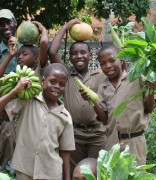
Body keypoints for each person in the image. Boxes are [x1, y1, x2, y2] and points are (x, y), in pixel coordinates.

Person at [0, 63, 75, 180]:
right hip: (24, 169)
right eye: (52, 81)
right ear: (43, 81)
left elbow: (65, 150)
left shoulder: (65, 116)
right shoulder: (27, 101)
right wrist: (15, 90)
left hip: (51, 172)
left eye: (62, 84)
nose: (57, 86)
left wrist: (67, 178)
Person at [80, 45, 156, 165]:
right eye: (103, 63)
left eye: (112, 60)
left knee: (135, 176)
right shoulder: (103, 88)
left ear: (121, 60)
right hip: (112, 143)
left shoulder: (136, 79)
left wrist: (151, 91)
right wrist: (92, 101)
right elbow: (104, 120)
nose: (108, 66)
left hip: (135, 142)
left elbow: (149, 109)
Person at [48, 19, 107, 174]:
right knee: (74, 173)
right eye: (74, 53)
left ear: (90, 54)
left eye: (83, 52)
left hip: (97, 134)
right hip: (73, 134)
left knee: (98, 173)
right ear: (70, 57)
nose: (78, 56)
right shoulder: (66, 75)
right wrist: (66, 26)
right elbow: (52, 52)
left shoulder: (101, 75)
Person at [0, 9, 21, 74]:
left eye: (9, 22)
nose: (6, 27)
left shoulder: (27, 46)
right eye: (1, 24)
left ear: (15, 22)